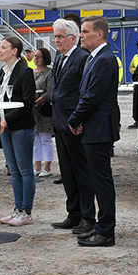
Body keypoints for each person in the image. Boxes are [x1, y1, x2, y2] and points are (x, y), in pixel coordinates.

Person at [69, 16, 120, 247]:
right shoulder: (96, 57)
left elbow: (92, 96)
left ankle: (106, 231)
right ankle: (102, 226)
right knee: (97, 178)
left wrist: (74, 118)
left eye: (85, 31)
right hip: (94, 126)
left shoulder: (104, 59)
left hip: (99, 128)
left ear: (99, 34)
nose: (81, 35)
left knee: (101, 181)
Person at [50, 19, 95, 235]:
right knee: (68, 173)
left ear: (73, 38)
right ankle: (73, 213)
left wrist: (78, 120)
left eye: (60, 36)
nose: (56, 40)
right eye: (55, 36)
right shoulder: (60, 58)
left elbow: (84, 92)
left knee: (81, 173)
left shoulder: (82, 58)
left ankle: (88, 217)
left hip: (74, 123)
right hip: (60, 123)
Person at [0, 36, 37, 226]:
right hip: (5, 125)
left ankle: (26, 212)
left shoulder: (25, 72)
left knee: (25, 170)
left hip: (20, 126)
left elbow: (27, 103)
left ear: (14, 51)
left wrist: (6, 119)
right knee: (14, 170)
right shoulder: (3, 71)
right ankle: (18, 208)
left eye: (3, 47)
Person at [32, 47, 54, 178]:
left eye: (38, 56)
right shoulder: (30, 72)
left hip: (44, 109)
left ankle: (48, 166)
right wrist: (31, 107)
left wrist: (37, 103)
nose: (35, 58)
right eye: (35, 56)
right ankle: (38, 165)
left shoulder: (49, 73)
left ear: (44, 58)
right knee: (35, 139)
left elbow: (49, 91)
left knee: (45, 138)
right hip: (32, 110)